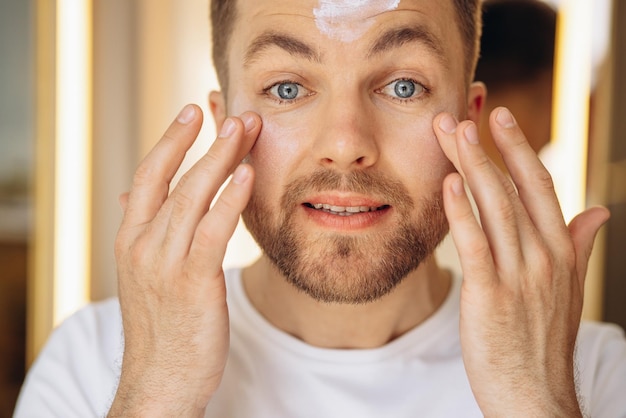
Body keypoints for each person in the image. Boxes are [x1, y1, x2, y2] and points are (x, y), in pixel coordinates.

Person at [14, 0, 626, 417]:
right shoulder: (96, 362)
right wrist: (155, 394)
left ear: (469, 119)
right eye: (287, 88)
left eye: (403, 86)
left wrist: (534, 400)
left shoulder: (593, 371)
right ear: (224, 124)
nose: (345, 144)